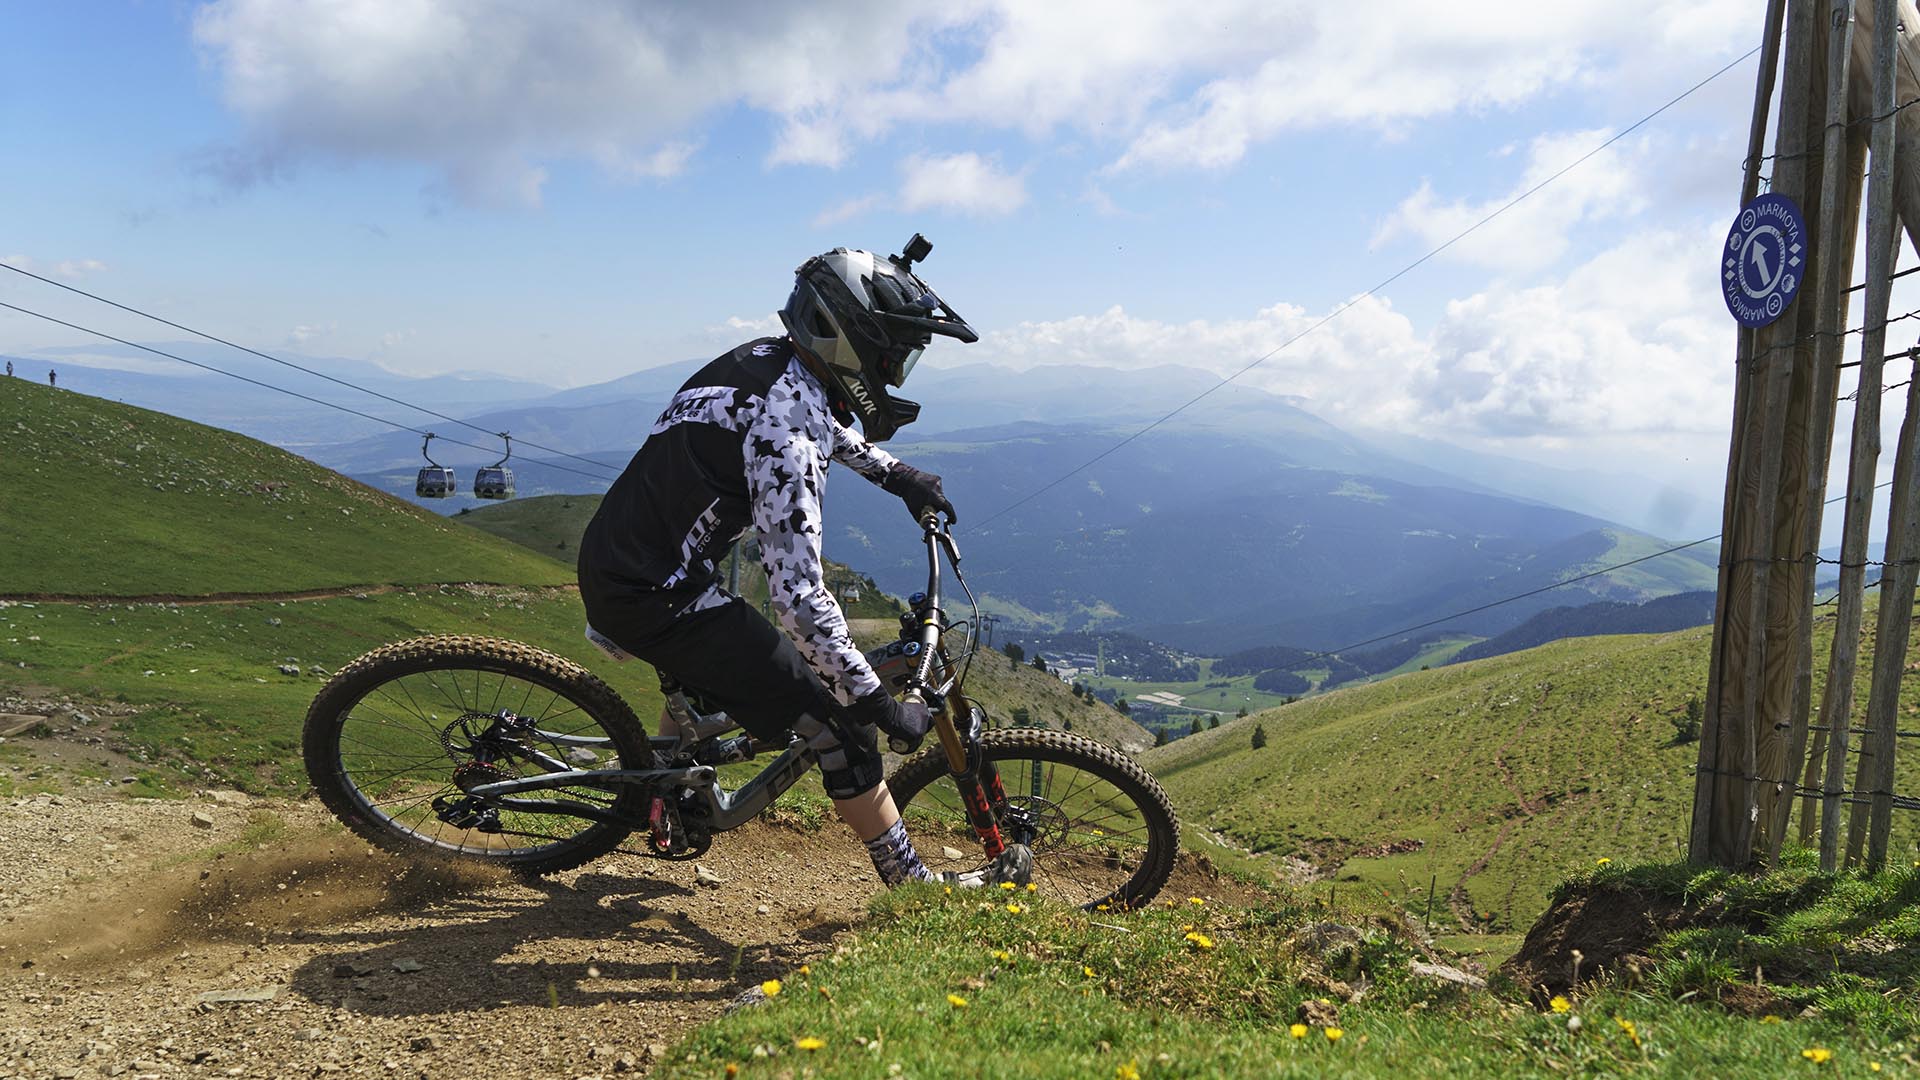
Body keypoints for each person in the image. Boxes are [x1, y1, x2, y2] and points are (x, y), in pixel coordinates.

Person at [577, 236, 1030, 888]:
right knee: (840, 730)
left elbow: (821, 418)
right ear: (847, 341)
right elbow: (799, 599)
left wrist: (895, 475)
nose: (896, 370)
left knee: (717, 668)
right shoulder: (784, 433)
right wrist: (874, 701)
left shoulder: (768, 361)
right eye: (892, 355)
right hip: (656, 592)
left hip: (632, 560)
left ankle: (663, 784)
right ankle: (918, 891)